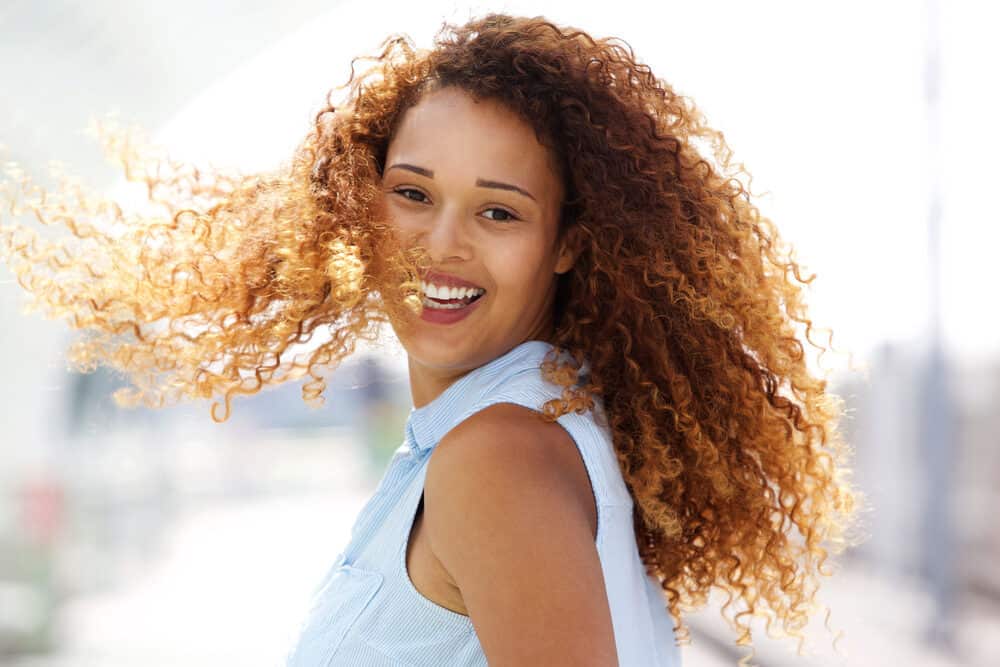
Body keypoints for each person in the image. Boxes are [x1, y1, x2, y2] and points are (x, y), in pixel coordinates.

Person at [0, 12, 867, 667]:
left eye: (498, 211)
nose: (441, 244)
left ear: (569, 243)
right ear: (357, 203)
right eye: (413, 193)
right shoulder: (524, 423)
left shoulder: (494, 457)